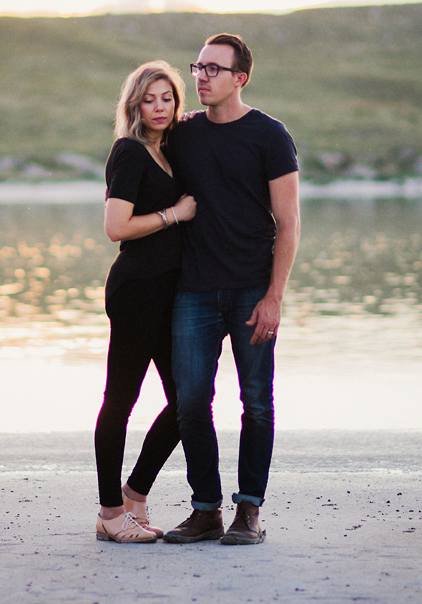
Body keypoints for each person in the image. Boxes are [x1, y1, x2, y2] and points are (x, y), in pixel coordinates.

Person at [161, 33, 300, 546]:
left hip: (250, 290)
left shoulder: (269, 135)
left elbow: (288, 222)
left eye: (214, 69)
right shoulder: (183, 133)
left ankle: (249, 511)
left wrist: (274, 296)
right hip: (193, 290)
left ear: (240, 78)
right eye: (198, 66)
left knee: (256, 402)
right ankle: (205, 510)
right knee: (192, 403)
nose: (201, 76)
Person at [93, 60, 197, 543]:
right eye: (150, 98)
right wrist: (174, 214)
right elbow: (117, 228)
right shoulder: (129, 152)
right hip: (136, 291)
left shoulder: (168, 152)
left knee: (188, 400)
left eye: (168, 98)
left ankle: (135, 495)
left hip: (168, 291)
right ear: (134, 104)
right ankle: (111, 514)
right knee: (122, 399)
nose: (159, 107)